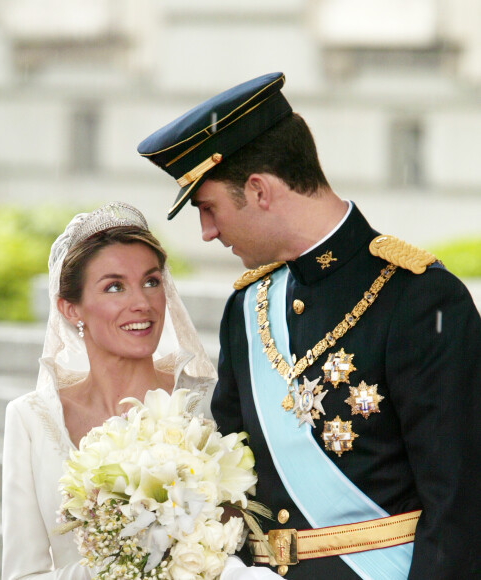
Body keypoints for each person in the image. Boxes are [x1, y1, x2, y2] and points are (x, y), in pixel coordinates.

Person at [137, 72, 481, 578]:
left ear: (258, 190)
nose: (207, 233)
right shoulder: (249, 306)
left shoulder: (420, 299)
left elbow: (459, 508)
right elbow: (239, 486)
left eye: (208, 208)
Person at [1, 202, 220, 579]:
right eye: (114, 287)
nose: (142, 303)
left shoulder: (208, 404)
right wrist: (116, 569)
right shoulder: (31, 419)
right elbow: (22, 574)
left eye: (151, 281)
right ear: (70, 309)